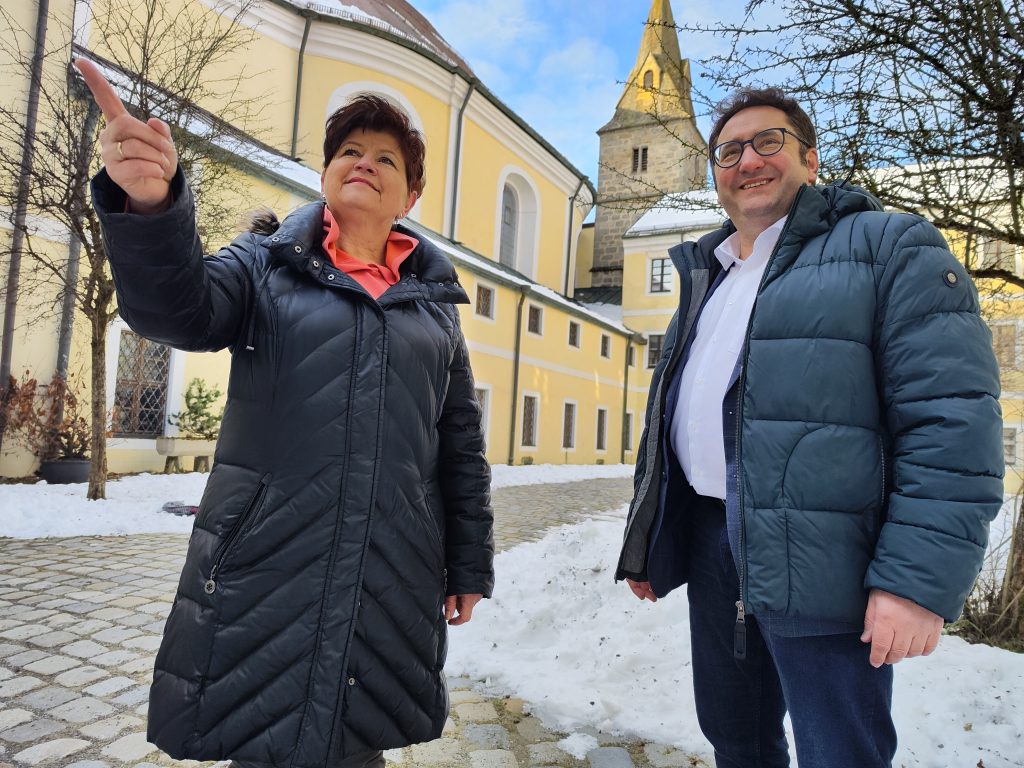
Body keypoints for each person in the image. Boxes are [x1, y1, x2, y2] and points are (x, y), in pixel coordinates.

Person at [76, 58, 494, 768]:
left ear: (411, 193)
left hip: (389, 573)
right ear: (327, 174)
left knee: (357, 741)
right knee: (266, 737)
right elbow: (178, 309)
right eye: (349, 152)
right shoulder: (264, 267)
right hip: (268, 567)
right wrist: (151, 210)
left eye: (385, 158)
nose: (364, 163)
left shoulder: (434, 314)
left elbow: (458, 446)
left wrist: (467, 564)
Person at [615, 87, 1003, 768]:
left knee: (839, 753)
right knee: (736, 738)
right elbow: (678, 419)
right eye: (728, 151)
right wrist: (652, 536)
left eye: (769, 142)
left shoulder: (888, 246)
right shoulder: (710, 275)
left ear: (811, 160)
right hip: (714, 546)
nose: (748, 161)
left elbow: (952, 421)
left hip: (826, 557)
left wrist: (915, 581)